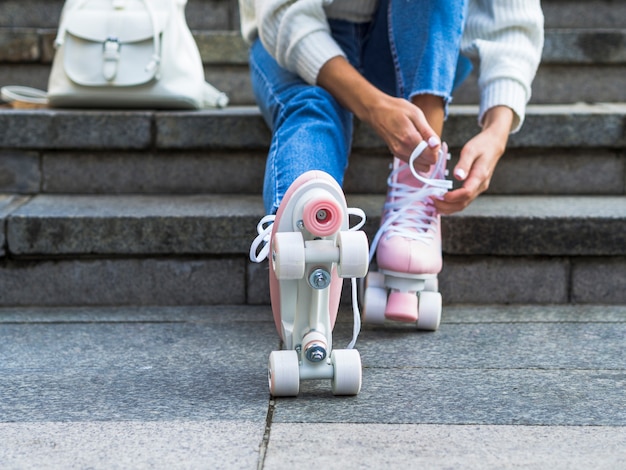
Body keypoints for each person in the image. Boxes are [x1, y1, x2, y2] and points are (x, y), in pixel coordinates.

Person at [245, 0, 544, 325]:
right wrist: (372, 106)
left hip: (410, 43)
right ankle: (305, 231)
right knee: (313, 105)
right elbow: (282, 12)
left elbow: (511, 16)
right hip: (297, 29)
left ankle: (418, 178)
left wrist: (497, 130)